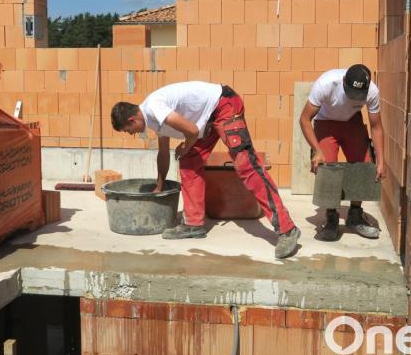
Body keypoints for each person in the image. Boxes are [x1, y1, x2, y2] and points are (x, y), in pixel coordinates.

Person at [111, 81, 301, 259]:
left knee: (246, 165)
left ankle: (287, 229)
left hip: (224, 105)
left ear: (132, 120)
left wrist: (186, 146)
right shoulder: (152, 119)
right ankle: (193, 225)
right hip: (207, 119)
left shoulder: (154, 107)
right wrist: (159, 186)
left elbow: (192, 131)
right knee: (189, 161)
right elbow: (163, 153)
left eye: (129, 130)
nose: (132, 134)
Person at [298, 64, 385, 241]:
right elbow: (304, 119)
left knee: (363, 166)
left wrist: (381, 162)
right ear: (344, 82)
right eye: (351, 93)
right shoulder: (326, 84)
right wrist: (317, 150)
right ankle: (331, 218)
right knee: (327, 169)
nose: (354, 98)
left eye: (358, 96)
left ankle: (355, 215)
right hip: (326, 122)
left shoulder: (372, 91)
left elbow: (376, 127)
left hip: (352, 122)